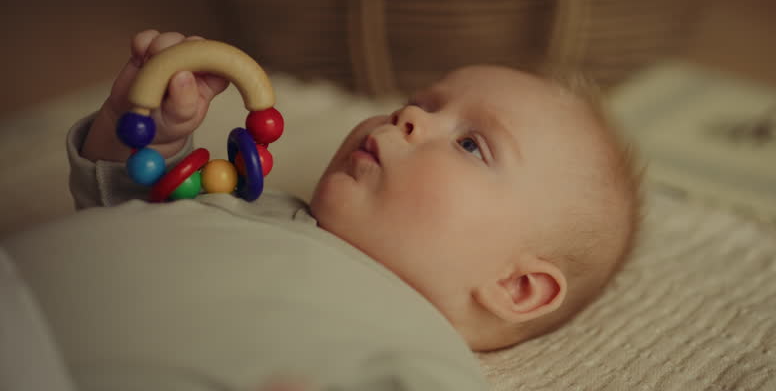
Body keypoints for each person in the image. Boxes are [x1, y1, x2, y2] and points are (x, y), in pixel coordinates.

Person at [1, 30, 640, 391]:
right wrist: (145, 126)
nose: (410, 116)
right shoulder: (252, 207)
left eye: (472, 143)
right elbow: (118, 205)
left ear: (516, 286)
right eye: (417, 103)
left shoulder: (417, 348)